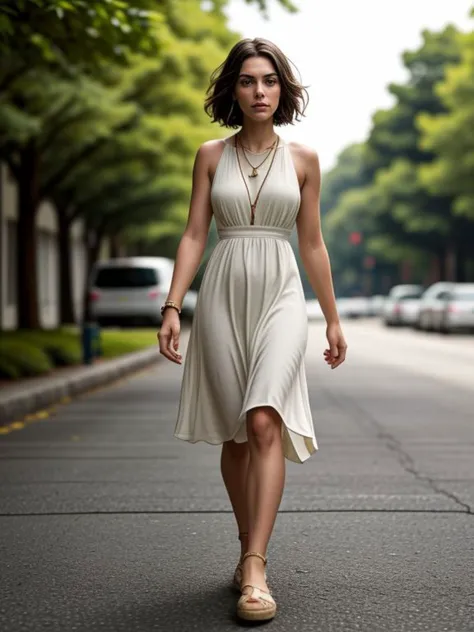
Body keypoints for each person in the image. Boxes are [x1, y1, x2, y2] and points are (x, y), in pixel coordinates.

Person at [157, 37, 347, 622]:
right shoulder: (210, 155)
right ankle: (246, 550)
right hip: (223, 289)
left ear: (282, 89)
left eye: (268, 80)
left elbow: (312, 243)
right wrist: (171, 305)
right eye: (247, 80)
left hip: (281, 292)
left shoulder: (305, 159)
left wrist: (333, 317)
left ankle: (257, 568)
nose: (259, 91)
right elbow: (195, 235)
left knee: (265, 417)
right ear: (232, 91)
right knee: (236, 435)